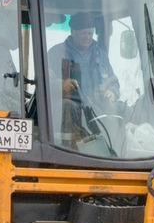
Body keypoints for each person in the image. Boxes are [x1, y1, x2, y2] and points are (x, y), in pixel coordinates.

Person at [47, 11, 121, 144]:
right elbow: (45, 81)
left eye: (90, 33)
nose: (88, 37)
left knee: (121, 110)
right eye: (84, 33)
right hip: (68, 114)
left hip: (97, 112)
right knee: (68, 105)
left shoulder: (101, 55)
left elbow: (113, 81)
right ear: (73, 31)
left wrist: (112, 92)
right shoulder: (56, 53)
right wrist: (61, 84)